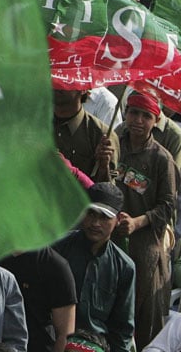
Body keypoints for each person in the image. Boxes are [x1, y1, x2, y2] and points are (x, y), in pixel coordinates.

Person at [113, 91, 177, 347]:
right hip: (111, 237)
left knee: (144, 316)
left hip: (145, 246)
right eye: (133, 112)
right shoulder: (113, 143)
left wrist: (138, 222)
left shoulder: (162, 159)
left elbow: (168, 206)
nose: (138, 120)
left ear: (155, 120)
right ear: (125, 113)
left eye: (145, 115)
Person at [53, 183, 135, 352]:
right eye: (91, 213)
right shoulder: (58, 249)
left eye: (105, 217)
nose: (96, 223)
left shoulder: (125, 267)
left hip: (96, 346)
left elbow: (122, 330)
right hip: (55, 341)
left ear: (118, 220)